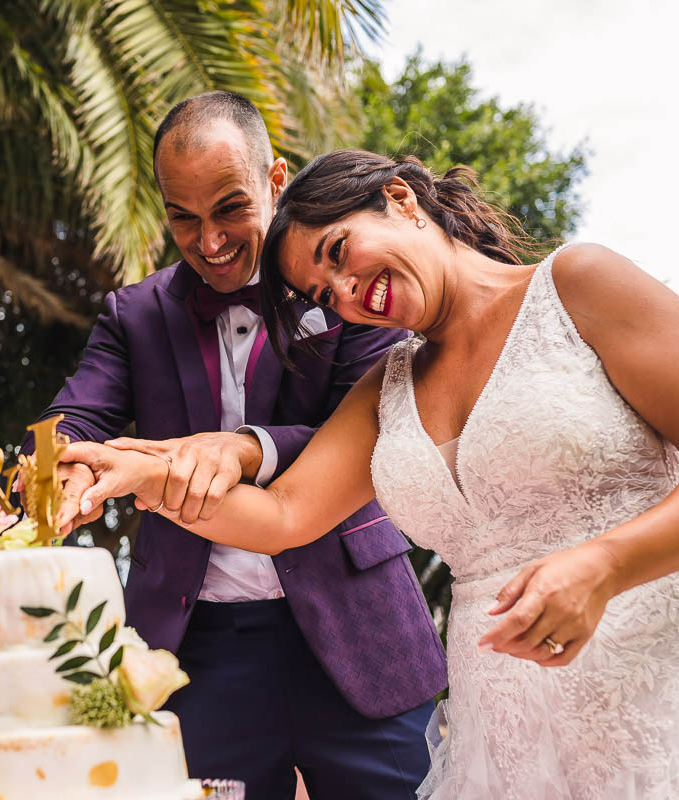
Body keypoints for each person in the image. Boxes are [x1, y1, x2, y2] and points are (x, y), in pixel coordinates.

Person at [59, 150, 679, 798]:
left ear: (400, 198)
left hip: (671, 691)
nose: (343, 291)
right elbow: (283, 517)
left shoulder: (579, 284)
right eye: (322, 293)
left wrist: (606, 564)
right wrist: (143, 478)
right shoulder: (387, 383)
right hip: (504, 738)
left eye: (338, 251)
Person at [37, 94, 445, 799]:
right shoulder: (130, 316)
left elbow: (378, 425)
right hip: (197, 649)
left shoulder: (346, 283)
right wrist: (60, 465)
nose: (210, 242)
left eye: (230, 208)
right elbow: (75, 417)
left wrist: (245, 446)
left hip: (359, 626)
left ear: (275, 179)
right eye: (182, 218)